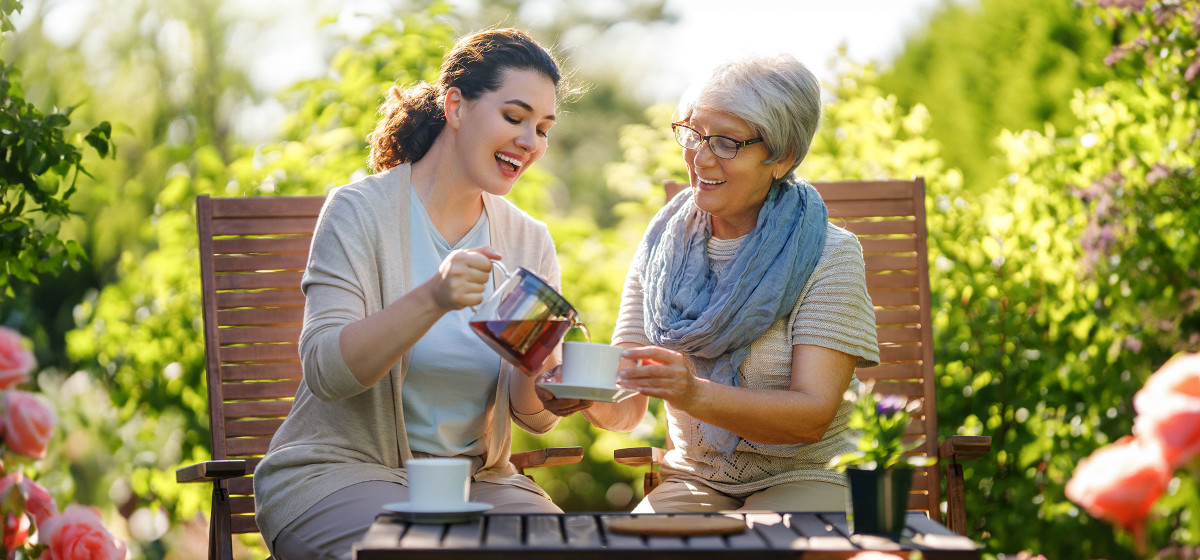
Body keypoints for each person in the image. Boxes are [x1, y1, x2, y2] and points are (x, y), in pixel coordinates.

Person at [253, 28, 588, 560]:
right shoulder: (359, 212)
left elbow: (531, 412)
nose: (531, 142)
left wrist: (551, 388)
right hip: (343, 474)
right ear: (456, 106)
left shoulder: (529, 240)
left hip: (477, 486)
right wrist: (433, 297)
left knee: (577, 548)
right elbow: (326, 370)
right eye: (514, 117)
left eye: (543, 128)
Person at [584, 53, 880, 513]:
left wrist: (694, 393)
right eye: (693, 134)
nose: (700, 158)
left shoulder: (829, 254)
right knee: (635, 547)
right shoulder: (663, 245)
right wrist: (579, 391)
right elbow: (626, 408)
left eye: (725, 142)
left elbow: (812, 418)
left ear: (782, 156)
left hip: (811, 474)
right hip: (696, 479)